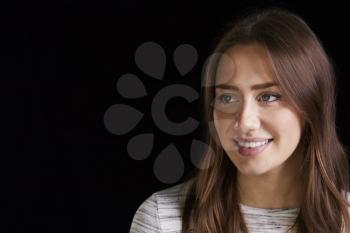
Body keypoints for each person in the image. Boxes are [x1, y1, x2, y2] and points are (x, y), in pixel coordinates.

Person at [129, 7, 350, 233]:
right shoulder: (162, 220)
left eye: (268, 96)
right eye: (227, 97)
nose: (245, 122)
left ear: (311, 105)